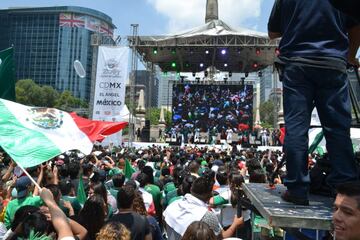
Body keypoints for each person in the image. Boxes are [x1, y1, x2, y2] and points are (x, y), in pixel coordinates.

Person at [268, 0, 360, 205]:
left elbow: (273, 32)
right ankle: (345, 191)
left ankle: (298, 189)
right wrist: (350, 55)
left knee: (296, 129)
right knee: (338, 130)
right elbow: (355, 26)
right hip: (333, 64)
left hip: (297, 65)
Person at [163, 176, 244, 239]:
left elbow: (164, 219)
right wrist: (235, 224)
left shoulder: (173, 205)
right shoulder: (206, 216)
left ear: (191, 189)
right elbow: (221, 237)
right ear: (209, 194)